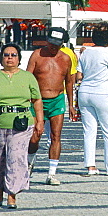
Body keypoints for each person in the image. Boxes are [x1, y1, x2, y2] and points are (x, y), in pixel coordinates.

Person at [0, 43, 44, 209]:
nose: (10, 58)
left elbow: (37, 100)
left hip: (21, 125)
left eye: (13, 55)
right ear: (1, 58)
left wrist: (40, 121)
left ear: (19, 59)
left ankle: (12, 194)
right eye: (6, 55)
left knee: (15, 158)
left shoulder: (28, 77)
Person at [26, 26, 75, 185]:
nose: (53, 47)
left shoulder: (66, 58)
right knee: (34, 136)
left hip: (57, 100)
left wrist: (71, 104)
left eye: (57, 44)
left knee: (56, 135)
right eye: (51, 43)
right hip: (38, 100)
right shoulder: (37, 55)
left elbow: (69, 81)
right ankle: (28, 164)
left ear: (62, 43)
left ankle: (52, 173)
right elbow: (28, 78)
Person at [75, 22, 108, 175]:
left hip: (84, 92)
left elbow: (79, 75)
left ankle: (90, 165)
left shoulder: (85, 52)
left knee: (89, 130)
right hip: (101, 92)